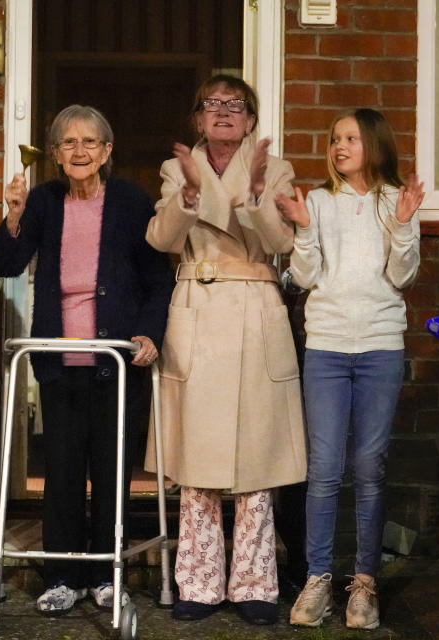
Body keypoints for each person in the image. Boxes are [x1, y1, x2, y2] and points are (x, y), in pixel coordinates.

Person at [0, 105, 174, 616]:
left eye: (90, 142)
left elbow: (159, 280)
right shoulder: (44, 200)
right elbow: (2, 264)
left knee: (112, 470)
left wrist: (150, 333)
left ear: (107, 151)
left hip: (115, 359)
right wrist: (15, 214)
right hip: (60, 359)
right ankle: (64, 576)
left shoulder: (132, 201)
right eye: (69, 143)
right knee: (63, 471)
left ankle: (107, 574)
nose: (80, 151)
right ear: (55, 155)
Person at [144, 74, 307, 626]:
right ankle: (198, 580)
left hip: (256, 308)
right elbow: (161, 240)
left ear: (251, 120)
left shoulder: (276, 168)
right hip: (198, 305)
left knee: (257, 457)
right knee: (197, 457)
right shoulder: (176, 168)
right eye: (212, 104)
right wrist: (188, 199)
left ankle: (257, 584)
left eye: (235, 105)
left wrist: (259, 194)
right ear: (197, 119)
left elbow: (284, 243)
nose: (223, 113)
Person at [276, 108, 423, 630]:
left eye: (351, 138)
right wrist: (303, 228)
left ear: (375, 145)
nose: (340, 146)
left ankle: (364, 581)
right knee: (324, 469)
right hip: (328, 349)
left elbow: (403, 276)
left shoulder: (394, 201)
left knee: (369, 467)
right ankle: (318, 579)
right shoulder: (317, 200)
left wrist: (403, 225)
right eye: (335, 138)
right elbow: (303, 275)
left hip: (380, 348)